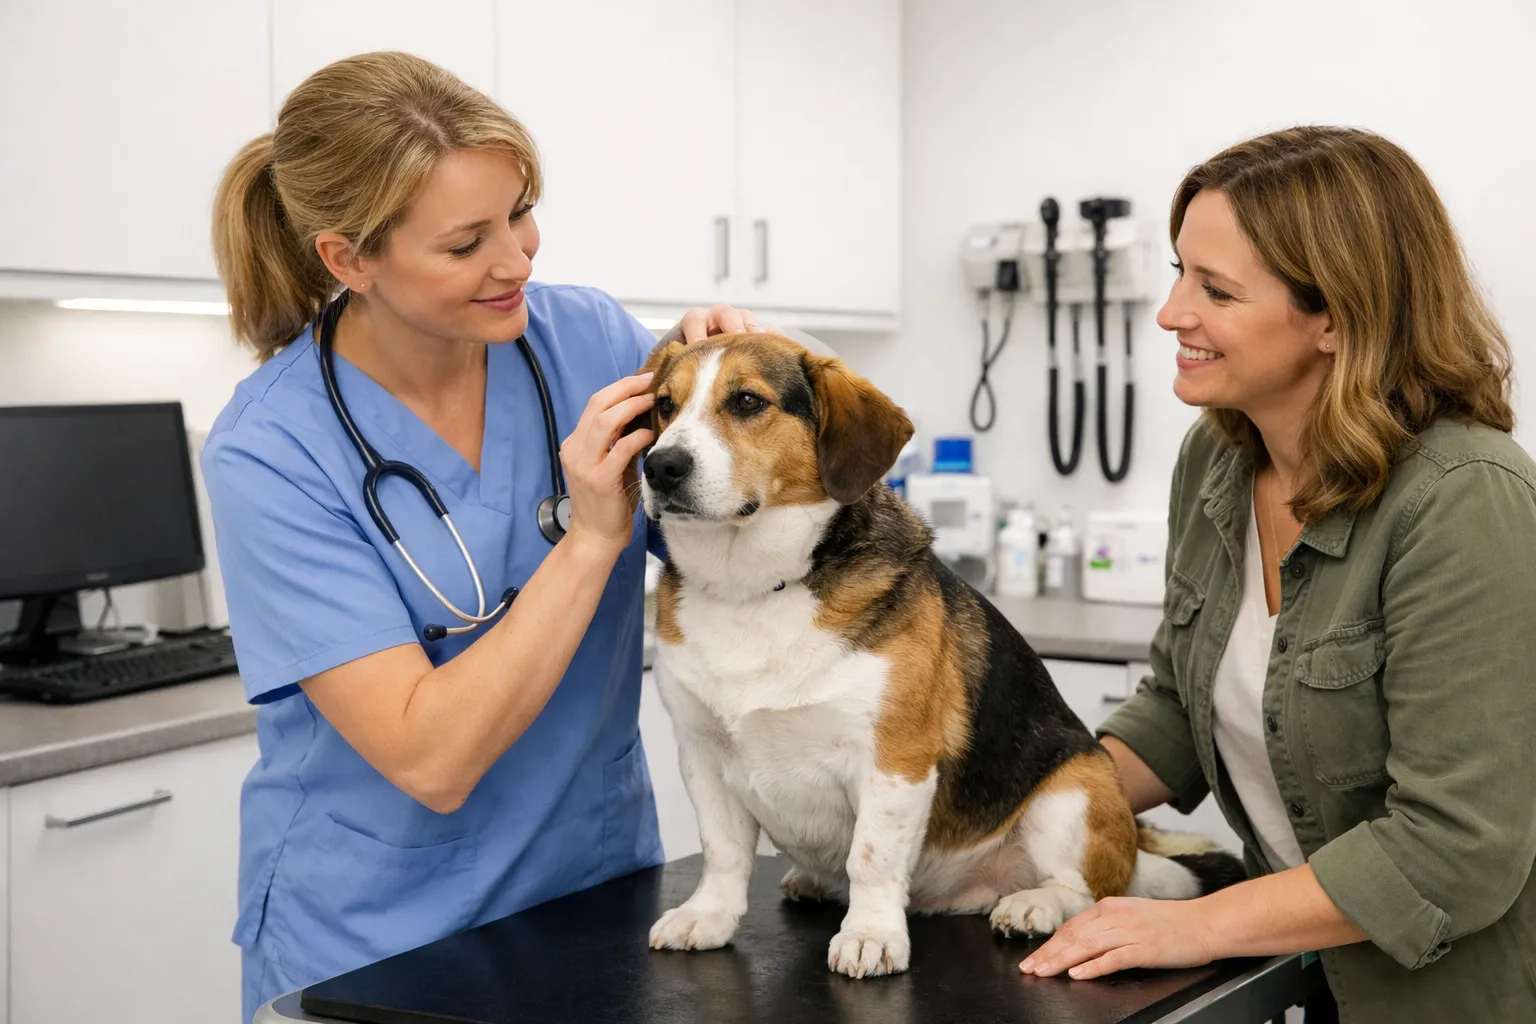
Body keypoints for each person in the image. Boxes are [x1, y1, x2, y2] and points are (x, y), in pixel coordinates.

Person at [204, 52, 763, 1020]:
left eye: (521, 212)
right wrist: (590, 539)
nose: (517, 259)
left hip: (591, 897)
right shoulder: (272, 450)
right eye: (467, 243)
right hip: (377, 947)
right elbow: (432, 756)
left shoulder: (582, 340)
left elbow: (722, 544)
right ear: (349, 260)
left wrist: (722, 407)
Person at [1020, 126, 1536, 1022]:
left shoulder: (1465, 501)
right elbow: (1181, 707)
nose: (1172, 313)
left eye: (1215, 289)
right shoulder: (1216, 462)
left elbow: (1457, 849)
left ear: (1336, 316)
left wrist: (1195, 926)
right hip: (1312, 976)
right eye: (1179, 272)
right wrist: (1008, 810)